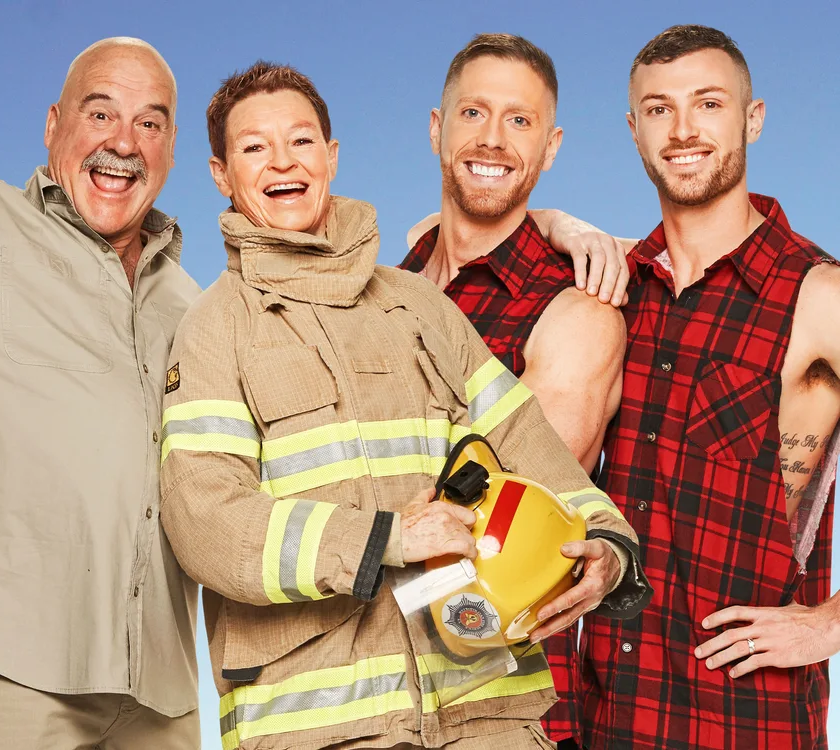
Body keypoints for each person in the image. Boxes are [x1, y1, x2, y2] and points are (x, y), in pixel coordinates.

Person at [159, 60, 650, 750]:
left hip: (486, 709)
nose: (282, 163)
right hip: (323, 726)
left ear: (330, 158)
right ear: (220, 175)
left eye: (300, 141)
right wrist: (386, 539)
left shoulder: (418, 305)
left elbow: (527, 444)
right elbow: (204, 520)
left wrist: (608, 545)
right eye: (253, 148)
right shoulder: (215, 331)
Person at [580, 25, 840, 749]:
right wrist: (556, 222)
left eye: (709, 103)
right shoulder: (614, 288)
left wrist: (830, 623)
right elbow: (444, 238)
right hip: (608, 717)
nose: (684, 129)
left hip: (747, 724)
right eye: (659, 109)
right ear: (634, 131)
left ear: (751, 119)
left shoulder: (816, 293)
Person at [0, 38, 201, 749]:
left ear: (172, 147)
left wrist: (537, 230)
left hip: (163, 690)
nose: (123, 142)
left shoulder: (196, 304)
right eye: (100, 113)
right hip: (7, 678)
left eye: (149, 123)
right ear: (54, 124)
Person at [399, 34, 631, 750]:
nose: (492, 140)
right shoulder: (393, 283)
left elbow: (508, 536)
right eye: (472, 113)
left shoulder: (576, 316)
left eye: (520, 121)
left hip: (493, 708)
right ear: (438, 129)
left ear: (551, 146)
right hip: (364, 705)